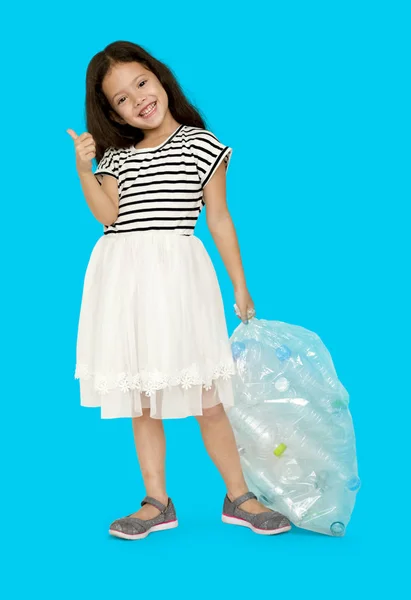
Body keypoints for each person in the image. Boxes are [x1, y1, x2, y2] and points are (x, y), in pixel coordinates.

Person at [67, 40, 291, 540]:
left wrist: (240, 285)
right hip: (124, 283)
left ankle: (239, 495)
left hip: (178, 283)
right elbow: (108, 215)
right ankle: (156, 501)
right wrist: (85, 170)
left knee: (206, 397)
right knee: (142, 398)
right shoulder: (117, 158)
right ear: (110, 111)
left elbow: (219, 218)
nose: (137, 100)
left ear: (160, 78)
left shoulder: (202, 145)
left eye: (141, 83)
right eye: (120, 99)